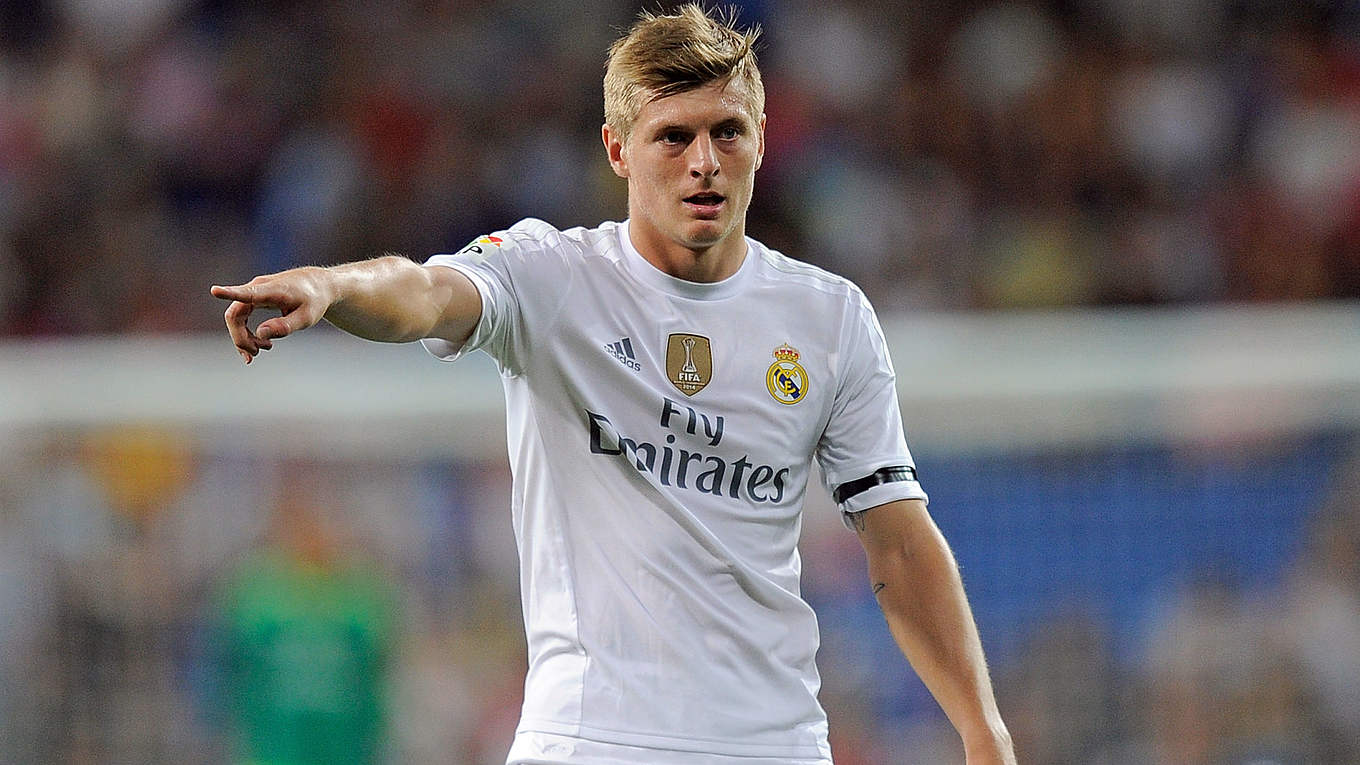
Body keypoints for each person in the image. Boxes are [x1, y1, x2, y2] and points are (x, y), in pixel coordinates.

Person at [211, 5, 1014, 763]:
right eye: (674, 137)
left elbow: (900, 543)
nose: (705, 162)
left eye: (727, 132)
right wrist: (333, 286)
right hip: (590, 739)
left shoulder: (829, 319)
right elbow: (423, 290)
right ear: (618, 148)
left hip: (773, 743)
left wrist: (984, 731)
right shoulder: (550, 276)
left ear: (763, 139)